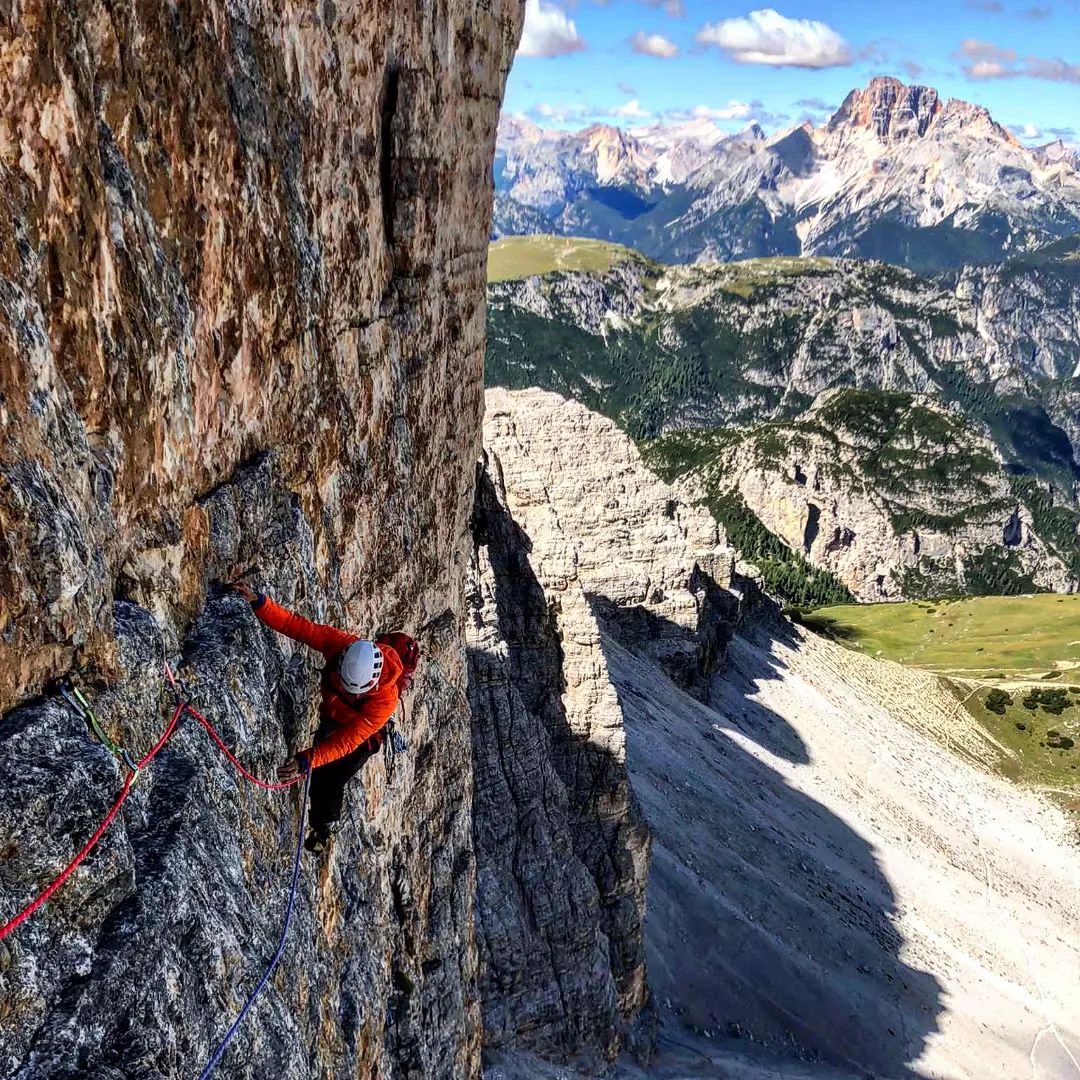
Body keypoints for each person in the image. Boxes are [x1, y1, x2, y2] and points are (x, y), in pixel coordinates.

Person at [232, 582, 419, 852]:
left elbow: (347, 741)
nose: (343, 686)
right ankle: (322, 816)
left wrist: (307, 759)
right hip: (335, 713)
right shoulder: (342, 644)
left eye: (349, 688)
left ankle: (323, 828)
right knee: (320, 766)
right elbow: (298, 627)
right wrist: (260, 603)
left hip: (363, 733)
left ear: (370, 686)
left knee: (331, 776)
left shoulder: (384, 701)